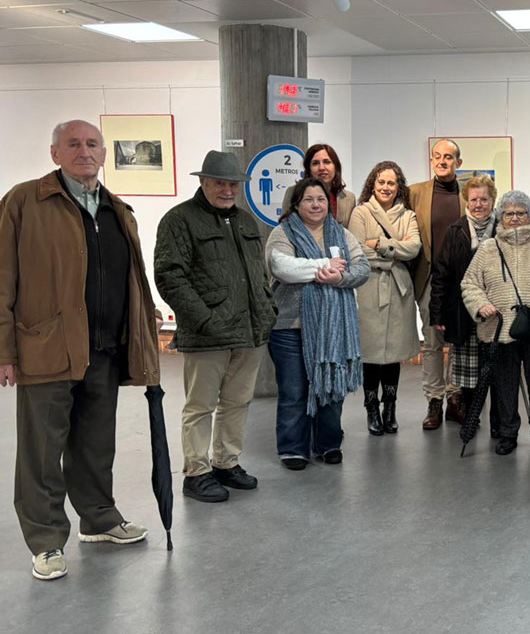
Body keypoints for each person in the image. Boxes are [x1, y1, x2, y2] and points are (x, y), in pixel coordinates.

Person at [0, 120, 160, 581]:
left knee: (95, 444)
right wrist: (4, 350)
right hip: (46, 347)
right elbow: (2, 278)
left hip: (104, 350)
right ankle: (46, 541)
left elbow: (130, 278)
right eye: (73, 144)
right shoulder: (24, 201)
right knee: (41, 452)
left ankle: (99, 518)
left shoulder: (116, 208)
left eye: (92, 144)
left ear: (104, 153)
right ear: (55, 153)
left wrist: (141, 329)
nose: (84, 151)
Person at [155, 151, 276, 503]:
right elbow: (169, 276)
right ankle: (196, 472)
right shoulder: (179, 220)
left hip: (249, 331)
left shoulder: (245, 221)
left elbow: (258, 272)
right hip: (207, 334)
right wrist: (204, 320)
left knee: (237, 402)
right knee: (200, 405)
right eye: (220, 183)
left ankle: (226, 462)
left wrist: (267, 308)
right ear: (204, 182)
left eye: (233, 184)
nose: (228, 190)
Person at [266, 178, 369, 469]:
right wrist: (324, 266)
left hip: (333, 327)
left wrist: (340, 278)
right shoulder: (282, 233)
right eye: (308, 200)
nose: (315, 205)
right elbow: (282, 267)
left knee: (332, 387)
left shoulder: (342, 234)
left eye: (321, 199)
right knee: (293, 391)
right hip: (290, 328)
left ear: (328, 204)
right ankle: (293, 449)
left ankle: (328, 444)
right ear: (296, 204)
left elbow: (362, 268)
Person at [461, 190, 530, 457]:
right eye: (509, 213)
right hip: (499, 329)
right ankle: (508, 433)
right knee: (504, 387)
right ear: (501, 216)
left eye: (521, 213)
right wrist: (480, 304)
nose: (515, 218)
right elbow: (469, 284)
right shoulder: (488, 248)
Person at [349, 161, 422, 436]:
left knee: (394, 354)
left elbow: (414, 248)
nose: (386, 187)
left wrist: (379, 244)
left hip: (399, 290)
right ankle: (371, 408)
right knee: (370, 354)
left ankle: (390, 408)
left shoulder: (408, 215)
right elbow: (357, 250)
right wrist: (394, 254)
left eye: (391, 183)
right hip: (369, 288)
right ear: (373, 184)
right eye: (381, 182)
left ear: (398, 186)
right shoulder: (361, 212)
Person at [430, 174, 500, 434]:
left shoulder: (502, 230)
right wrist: (437, 313)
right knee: (470, 374)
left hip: (496, 313)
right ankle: (470, 419)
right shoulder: (455, 231)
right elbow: (441, 275)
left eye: (484, 199)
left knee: (498, 371)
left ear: (493, 201)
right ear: (466, 202)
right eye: (473, 199)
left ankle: (499, 425)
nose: (478, 204)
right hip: (463, 312)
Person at [409, 139, 466, 430]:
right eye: (437, 156)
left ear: (458, 162)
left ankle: (455, 398)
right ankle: (434, 401)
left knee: (458, 341)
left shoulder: (469, 193)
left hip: (463, 280)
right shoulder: (415, 193)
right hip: (430, 278)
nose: (442, 161)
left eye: (448, 157)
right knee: (432, 343)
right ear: (431, 160)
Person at [281, 143, 356, 227]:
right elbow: (285, 227)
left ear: (336, 167)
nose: (321, 168)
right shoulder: (293, 192)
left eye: (327, 162)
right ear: (309, 169)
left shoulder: (349, 198)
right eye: (315, 163)